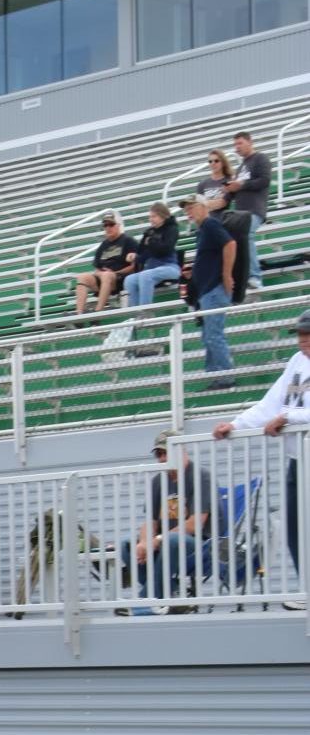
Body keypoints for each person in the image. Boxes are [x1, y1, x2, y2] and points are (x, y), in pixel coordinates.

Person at [214, 308, 310, 600]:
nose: (303, 340)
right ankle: (306, 590)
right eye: (300, 334)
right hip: (299, 460)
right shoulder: (297, 362)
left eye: (308, 334)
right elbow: (272, 404)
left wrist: (289, 418)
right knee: (297, 528)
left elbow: (286, 413)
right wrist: (236, 424)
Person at [118, 440, 215, 609]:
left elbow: (194, 524)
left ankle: (144, 602)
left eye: (166, 453)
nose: (162, 458)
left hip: (199, 545)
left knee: (172, 540)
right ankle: (172, 592)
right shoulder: (158, 481)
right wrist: (144, 542)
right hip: (165, 543)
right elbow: (150, 521)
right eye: (158, 454)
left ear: (181, 451)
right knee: (126, 544)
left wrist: (158, 539)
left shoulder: (201, 476)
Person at [181, 195, 237, 387]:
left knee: (213, 335)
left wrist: (226, 274)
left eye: (191, 207)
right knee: (208, 336)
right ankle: (215, 376)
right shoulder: (203, 230)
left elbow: (230, 244)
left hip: (214, 289)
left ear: (203, 206)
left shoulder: (211, 225)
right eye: (185, 209)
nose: (188, 212)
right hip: (206, 292)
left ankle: (226, 377)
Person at [223, 130, 271, 289]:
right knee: (232, 242)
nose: (237, 147)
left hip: (254, 209)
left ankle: (255, 277)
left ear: (250, 142)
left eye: (240, 143)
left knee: (246, 235)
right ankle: (243, 278)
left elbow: (264, 181)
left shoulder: (260, 158)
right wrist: (231, 189)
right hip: (240, 213)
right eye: (235, 144)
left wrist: (241, 185)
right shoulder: (241, 167)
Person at [73, 213, 135, 319]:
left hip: (120, 279)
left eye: (111, 224)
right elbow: (97, 269)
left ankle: (98, 311)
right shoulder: (103, 245)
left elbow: (134, 266)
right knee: (82, 277)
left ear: (118, 225)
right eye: (105, 225)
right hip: (103, 277)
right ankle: (79, 313)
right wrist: (101, 274)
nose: (108, 228)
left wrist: (115, 273)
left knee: (106, 275)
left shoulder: (128, 241)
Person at [124, 204, 182, 308]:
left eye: (154, 216)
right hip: (152, 268)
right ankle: (136, 314)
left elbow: (166, 249)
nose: (151, 219)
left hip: (170, 267)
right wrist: (134, 256)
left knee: (145, 275)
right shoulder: (149, 232)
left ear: (163, 216)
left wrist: (151, 241)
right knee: (129, 280)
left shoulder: (172, 229)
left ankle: (145, 314)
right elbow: (142, 253)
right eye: (150, 217)